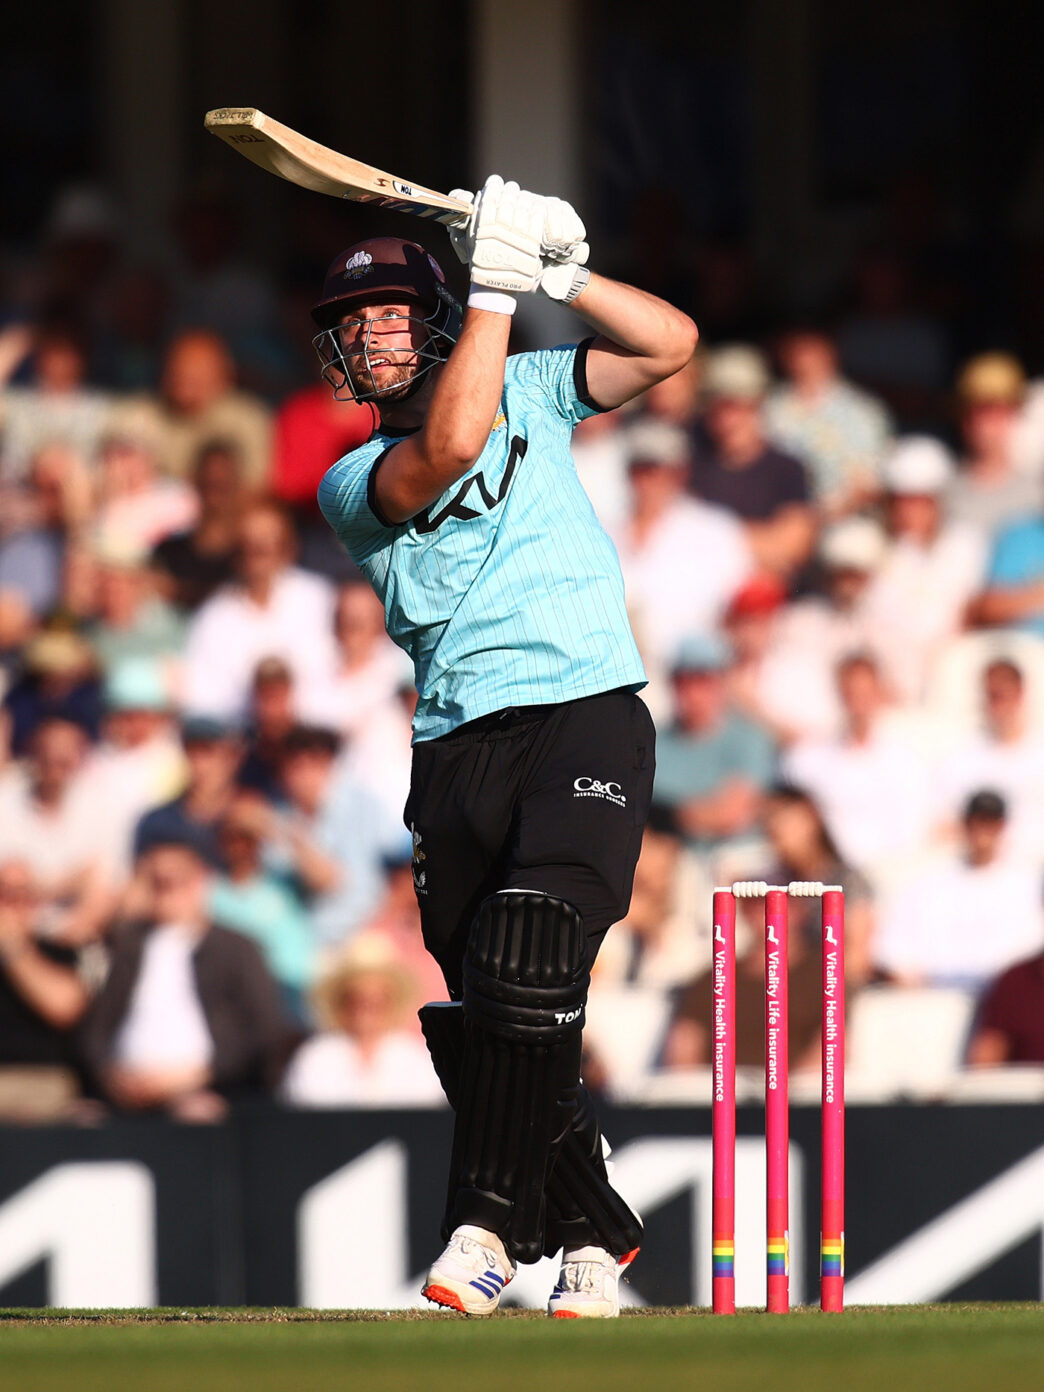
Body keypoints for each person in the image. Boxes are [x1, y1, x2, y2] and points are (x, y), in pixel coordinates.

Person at [311, 177, 698, 1318]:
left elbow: (669, 344)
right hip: (457, 747)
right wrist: (495, 286)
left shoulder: (533, 384)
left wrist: (562, 276)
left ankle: (481, 1231)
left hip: (584, 706)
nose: (371, 339)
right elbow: (448, 446)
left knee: (534, 941)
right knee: (492, 1019)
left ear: (434, 319)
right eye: (352, 325)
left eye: (391, 315)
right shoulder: (348, 483)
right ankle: (592, 1229)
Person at [81, 836, 292, 1120]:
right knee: (81, 1119)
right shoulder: (126, 945)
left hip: (209, 1090)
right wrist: (110, 1076)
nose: (164, 891)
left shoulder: (236, 948)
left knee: (197, 1116)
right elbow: (97, 1029)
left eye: (174, 881)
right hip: (123, 1092)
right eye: (155, 882)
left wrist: (200, 1075)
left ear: (200, 881)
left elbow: (263, 1030)